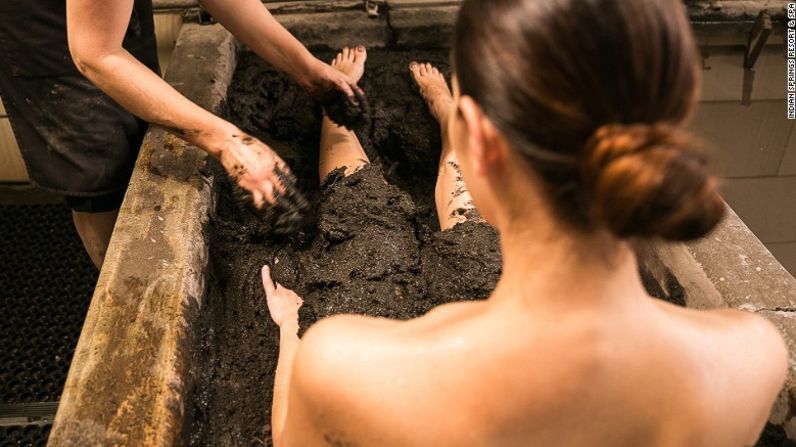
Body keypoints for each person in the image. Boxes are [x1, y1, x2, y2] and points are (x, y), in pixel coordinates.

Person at [260, 0, 789, 445]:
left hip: (441, 308)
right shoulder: (752, 358)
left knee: (365, 207)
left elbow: (289, 438)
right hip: (484, 249)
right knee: (463, 221)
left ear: (482, 142)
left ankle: (362, 112)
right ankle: (445, 113)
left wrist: (290, 331)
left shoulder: (341, 365)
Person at [0, 0, 361, 268]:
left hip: (103, 17)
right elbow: (95, 54)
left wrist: (306, 68)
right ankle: (119, 284)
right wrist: (227, 141)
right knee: (97, 170)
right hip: (43, 35)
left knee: (137, 115)